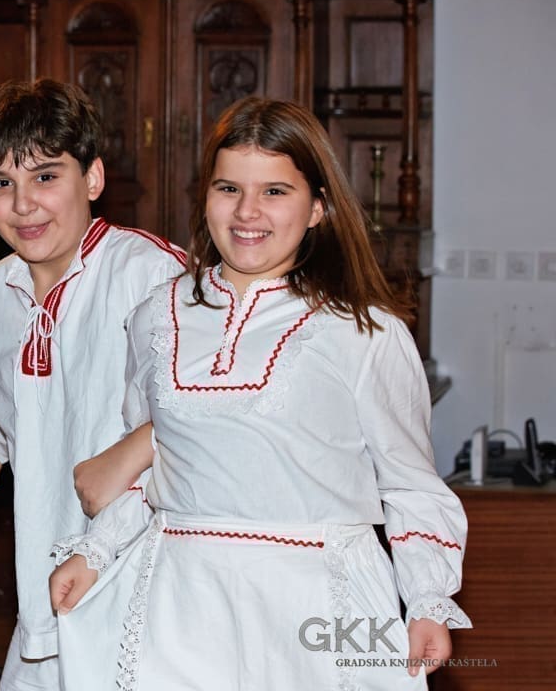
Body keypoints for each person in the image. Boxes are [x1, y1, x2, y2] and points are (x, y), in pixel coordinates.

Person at [49, 96, 471, 690]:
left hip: (321, 602)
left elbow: (409, 485)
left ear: (318, 206)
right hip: (180, 599)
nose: (247, 212)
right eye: (229, 189)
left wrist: (427, 599)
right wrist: (95, 552)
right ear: (206, 197)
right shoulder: (156, 316)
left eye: (275, 191)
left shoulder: (365, 333)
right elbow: (155, 465)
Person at [0, 78, 187, 691]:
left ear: (92, 178)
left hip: (148, 575)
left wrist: (102, 541)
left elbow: (193, 425)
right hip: (44, 587)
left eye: (45, 176)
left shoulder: (152, 277)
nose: (23, 205)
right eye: (1, 184)